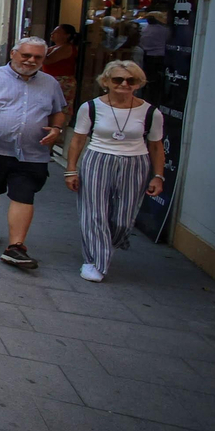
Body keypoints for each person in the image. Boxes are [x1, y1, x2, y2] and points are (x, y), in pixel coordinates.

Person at [0, 36, 68, 270]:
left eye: (37, 57)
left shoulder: (50, 83)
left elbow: (58, 111)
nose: (31, 60)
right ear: (13, 54)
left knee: (24, 195)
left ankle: (15, 247)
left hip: (32, 152)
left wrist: (57, 129)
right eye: (26, 55)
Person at [64, 61, 166, 283]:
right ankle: (94, 261)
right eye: (118, 79)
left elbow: (156, 146)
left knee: (123, 218)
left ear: (138, 83)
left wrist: (158, 176)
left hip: (135, 163)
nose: (124, 84)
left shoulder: (151, 112)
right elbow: (78, 140)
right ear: (106, 81)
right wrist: (71, 170)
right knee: (94, 213)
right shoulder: (91, 107)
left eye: (131, 80)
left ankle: (105, 247)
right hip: (98, 159)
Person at [43, 23, 79, 112]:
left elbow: (47, 60)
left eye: (57, 32)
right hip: (50, 79)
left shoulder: (66, 48)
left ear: (67, 35)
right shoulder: (54, 47)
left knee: (60, 108)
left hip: (62, 81)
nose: (52, 34)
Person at [138, 11, 170, 103]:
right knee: (159, 80)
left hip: (148, 57)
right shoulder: (165, 30)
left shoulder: (144, 30)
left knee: (149, 79)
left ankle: (148, 97)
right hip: (161, 57)